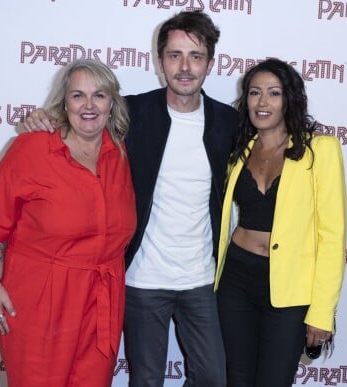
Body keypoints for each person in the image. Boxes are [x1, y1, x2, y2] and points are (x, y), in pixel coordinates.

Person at [24, 10, 235, 387]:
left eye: (196, 56)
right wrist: (43, 119)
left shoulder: (227, 122)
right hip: (141, 280)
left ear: (210, 64)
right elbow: (83, 119)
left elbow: (274, 133)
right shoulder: (133, 112)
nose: (184, 67)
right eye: (174, 55)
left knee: (212, 378)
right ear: (159, 62)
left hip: (200, 279)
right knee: (147, 380)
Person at [0, 59, 136, 387]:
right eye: (78, 96)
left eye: (99, 95)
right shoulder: (32, 148)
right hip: (40, 299)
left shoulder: (119, 152)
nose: (88, 105)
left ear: (112, 103)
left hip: (102, 300)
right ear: (64, 102)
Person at [214, 58, 347, 386]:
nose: (262, 102)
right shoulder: (239, 150)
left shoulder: (320, 150)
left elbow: (332, 235)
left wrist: (321, 312)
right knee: (238, 378)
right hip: (236, 279)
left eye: (273, 93)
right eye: (255, 92)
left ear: (289, 98)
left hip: (289, 288)